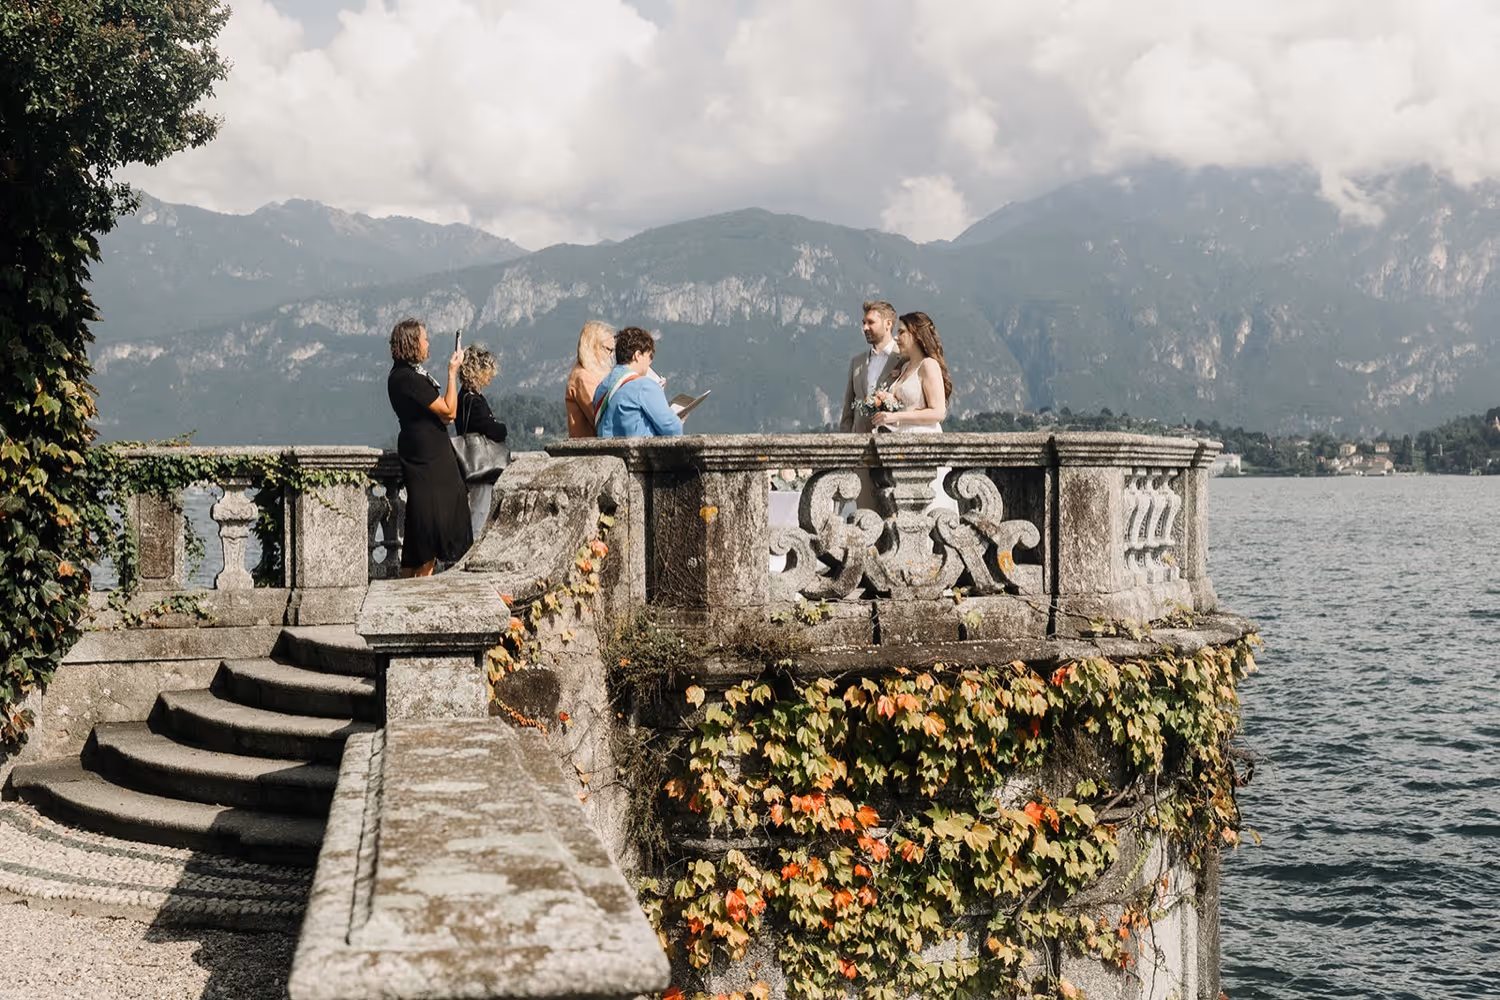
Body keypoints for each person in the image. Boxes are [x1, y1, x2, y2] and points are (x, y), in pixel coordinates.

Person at [387, 318, 472, 577]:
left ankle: (415, 583)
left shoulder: (407, 375)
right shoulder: (407, 378)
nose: (428, 343)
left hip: (430, 453)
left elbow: (447, 414)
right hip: (427, 457)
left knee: (426, 521)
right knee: (428, 522)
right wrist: (452, 373)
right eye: (425, 338)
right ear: (413, 342)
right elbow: (450, 411)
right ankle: (418, 588)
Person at [455, 344, 508, 540]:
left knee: (476, 511)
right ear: (478, 371)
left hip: (472, 462)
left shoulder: (464, 397)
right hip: (480, 465)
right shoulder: (472, 400)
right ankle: (471, 553)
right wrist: (502, 428)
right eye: (488, 371)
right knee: (480, 512)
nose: (491, 377)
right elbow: (491, 429)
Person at [592, 326, 684, 438]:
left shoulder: (601, 387)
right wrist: (679, 419)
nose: (649, 363)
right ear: (638, 355)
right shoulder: (644, 386)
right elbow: (673, 429)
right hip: (639, 453)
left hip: (606, 453)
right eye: (649, 357)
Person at [869, 311, 952, 433]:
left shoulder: (928, 364)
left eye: (901, 332)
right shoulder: (904, 367)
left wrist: (895, 417)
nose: (896, 337)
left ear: (916, 334)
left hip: (922, 437)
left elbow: (938, 413)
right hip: (901, 437)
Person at [839, 300, 904, 433]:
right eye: (864, 323)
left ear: (888, 324)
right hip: (858, 442)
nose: (865, 328)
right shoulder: (857, 362)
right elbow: (848, 411)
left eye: (870, 322)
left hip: (893, 441)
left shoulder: (904, 359)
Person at [564, 320, 616, 437]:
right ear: (594, 346)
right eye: (608, 349)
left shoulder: (586, 374)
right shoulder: (583, 377)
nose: (612, 355)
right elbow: (599, 415)